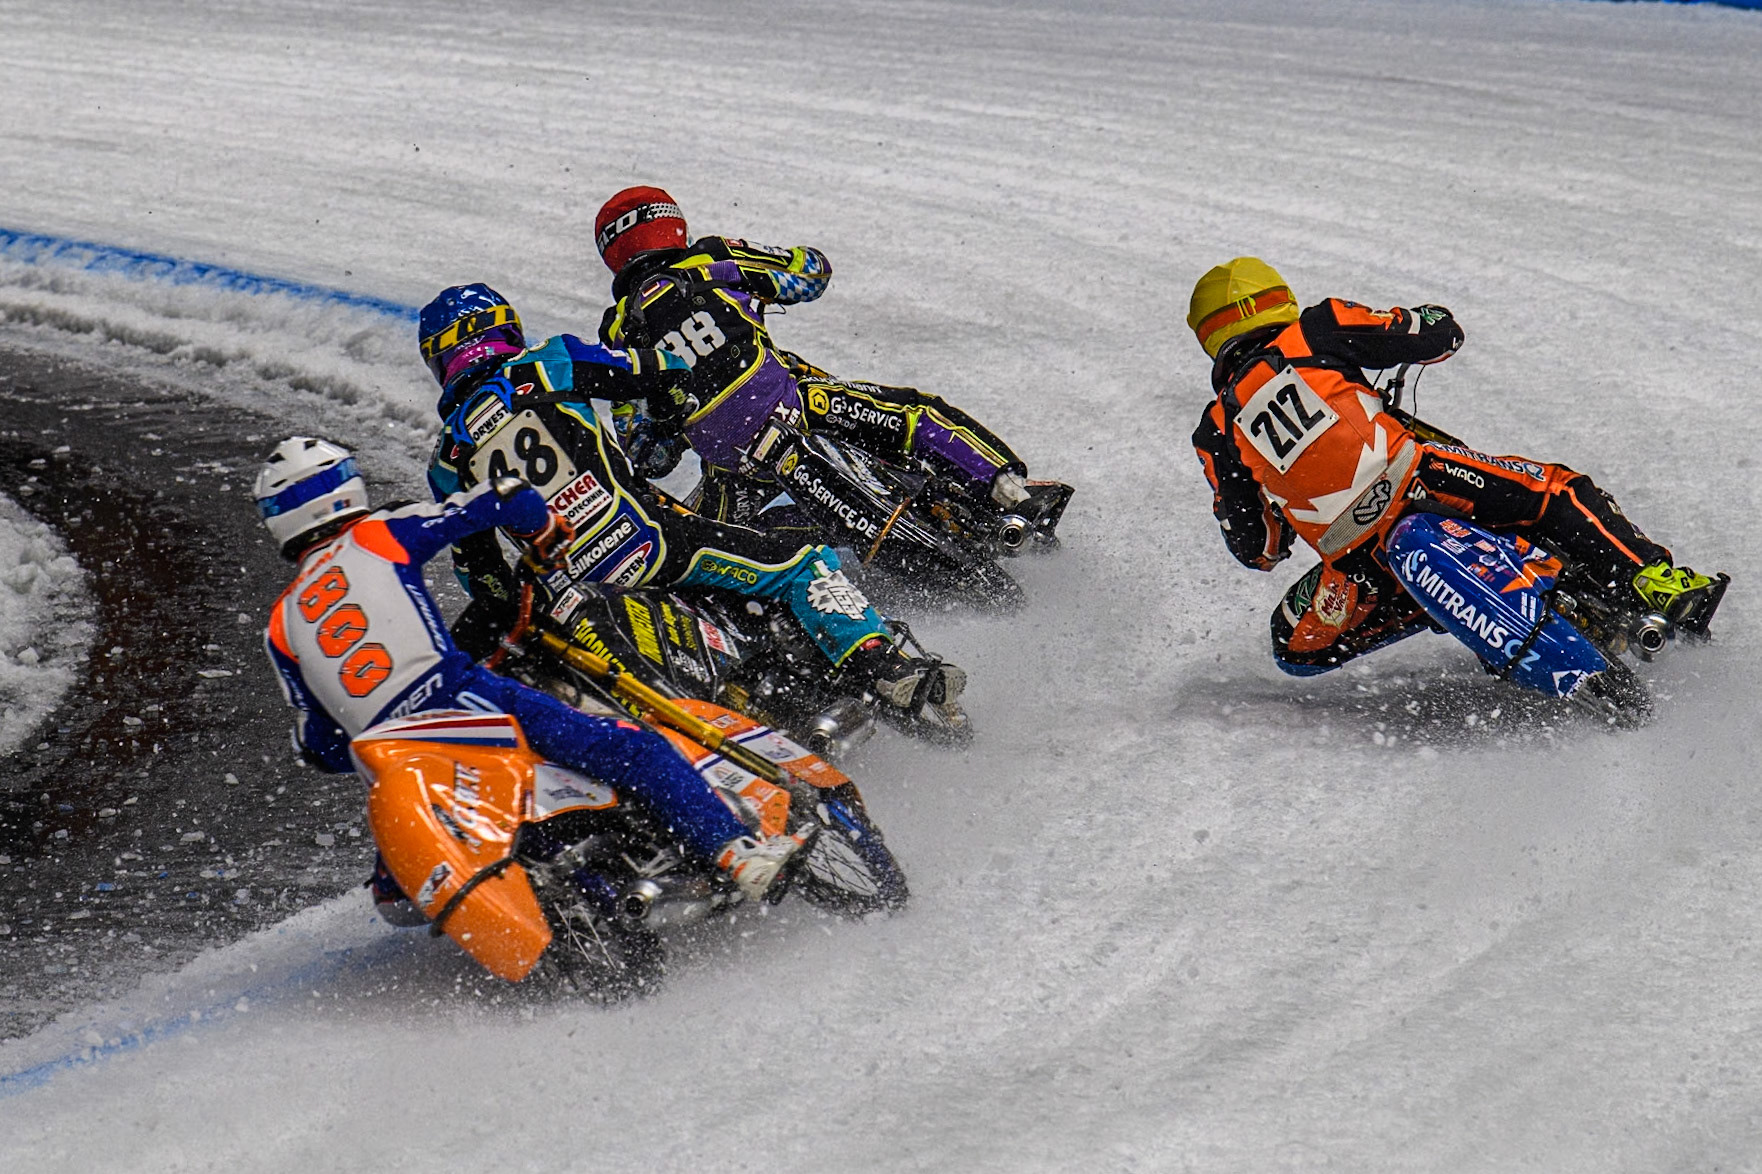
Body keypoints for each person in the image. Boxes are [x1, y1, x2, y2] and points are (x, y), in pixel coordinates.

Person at [255, 436, 811, 915]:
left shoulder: (279, 624)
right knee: (633, 749)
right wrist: (543, 530)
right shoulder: (378, 532)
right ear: (340, 488)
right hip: (457, 696)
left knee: (397, 891)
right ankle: (735, 853)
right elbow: (501, 496)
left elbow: (316, 744)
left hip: (390, 754)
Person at [420, 283, 965, 719]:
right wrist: (669, 404)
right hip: (651, 545)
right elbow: (655, 367)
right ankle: (883, 666)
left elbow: (482, 579)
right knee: (799, 565)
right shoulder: (545, 364)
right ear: (501, 330)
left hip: (572, 591)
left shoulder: (447, 463)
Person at [1186, 257, 1724, 675]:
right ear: (1279, 300)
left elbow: (1257, 550)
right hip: (1421, 478)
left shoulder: (1216, 430)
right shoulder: (1313, 331)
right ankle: (1655, 579)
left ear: (1209, 335)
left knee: (1292, 647)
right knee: (1555, 491)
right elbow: (1436, 334)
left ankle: (1441, 601)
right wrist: (1432, 320)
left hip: (1352, 563)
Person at [590, 185, 1036, 528]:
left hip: (730, 465)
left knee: (706, 536)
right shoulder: (710, 259)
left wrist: (669, 416)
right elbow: (812, 273)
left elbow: (650, 456)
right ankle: (1011, 491)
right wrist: (764, 280)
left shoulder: (615, 333)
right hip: (795, 408)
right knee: (917, 413)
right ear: (671, 224)